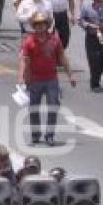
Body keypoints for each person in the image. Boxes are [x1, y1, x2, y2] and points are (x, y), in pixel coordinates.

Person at [18, 10, 75, 145]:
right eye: (37, 24)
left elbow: (62, 57)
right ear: (34, 26)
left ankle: (49, 135)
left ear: (47, 25)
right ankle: (36, 134)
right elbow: (24, 60)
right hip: (35, 80)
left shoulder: (54, 40)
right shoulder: (29, 42)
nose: (40, 27)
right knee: (34, 108)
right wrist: (22, 77)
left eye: (43, 24)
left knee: (53, 106)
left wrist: (70, 75)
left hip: (51, 79)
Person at [79, 0, 103, 90]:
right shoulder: (86, 6)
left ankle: (98, 77)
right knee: (94, 60)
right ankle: (94, 83)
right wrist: (88, 26)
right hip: (92, 36)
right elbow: (80, 20)